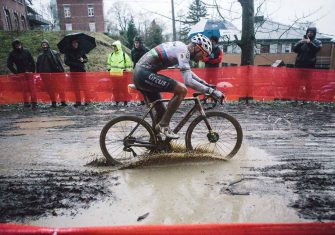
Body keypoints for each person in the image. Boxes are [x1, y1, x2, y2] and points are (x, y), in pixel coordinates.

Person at [132, 34, 224, 139]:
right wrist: (211, 91)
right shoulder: (183, 51)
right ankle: (164, 125)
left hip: (142, 73)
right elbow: (188, 81)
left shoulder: (182, 49)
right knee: (181, 90)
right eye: (203, 54)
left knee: (162, 111)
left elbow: (189, 74)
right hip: (143, 74)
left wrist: (206, 85)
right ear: (196, 47)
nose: (202, 59)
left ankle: (156, 143)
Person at [7, 39, 37, 109]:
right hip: (21, 74)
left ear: (21, 44)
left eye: (19, 43)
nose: (18, 45)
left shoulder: (26, 51)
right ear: (14, 46)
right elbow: (9, 64)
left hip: (29, 73)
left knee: (32, 88)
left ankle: (34, 103)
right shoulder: (12, 53)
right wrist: (16, 73)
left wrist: (32, 71)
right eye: (16, 44)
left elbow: (32, 62)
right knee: (24, 89)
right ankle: (26, 103)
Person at [36, 39, 67, 108]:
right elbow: (38, 66)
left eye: (45, 44)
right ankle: (53, 102)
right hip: (46, 76)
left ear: (48, 45)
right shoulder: (40, 56)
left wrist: (62, 72)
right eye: (43, 45)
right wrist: (39, 74)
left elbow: (60, 63)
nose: (44, 46)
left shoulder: (54, 53)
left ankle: (63, 101)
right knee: (50, 90)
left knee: (60, 88)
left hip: (56, 74)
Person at [64, 39, 91, 107]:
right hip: (73, 72)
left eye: (76, 43)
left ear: (78, 43)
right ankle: (78, 102)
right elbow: (66, 62)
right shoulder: (68, 52)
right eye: (74, 43)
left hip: (82, 71)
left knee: (84, 86)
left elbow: (86, 59)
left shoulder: (81, 50)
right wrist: (75, 63)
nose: (75, 44)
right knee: (76, 87)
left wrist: (83, 60)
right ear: (72, 44)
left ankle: (87, 101)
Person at [107, 40, 133, 106]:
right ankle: (116, 101)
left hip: (122, 76)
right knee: (115, 89)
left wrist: (127, 70)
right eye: (113, 47)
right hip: (113, 76)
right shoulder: (111, 55)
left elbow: (129, 65)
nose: (114, 48)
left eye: (115, 46)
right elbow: (108, 64)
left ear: (118, 47)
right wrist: (109, 71)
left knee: (123, 89)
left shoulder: (124, 55)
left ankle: (125, 101)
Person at [131, 36, 149, 105]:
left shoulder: (146, 50)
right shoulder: (133, 51)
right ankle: (141, 100)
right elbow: (133, 60)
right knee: (138, 86)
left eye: (137, 42)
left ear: (141, 43)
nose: (136, 44)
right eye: (135, 42)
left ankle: (147, 99)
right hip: (136, 70)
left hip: (145, 70)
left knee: (146, 86)